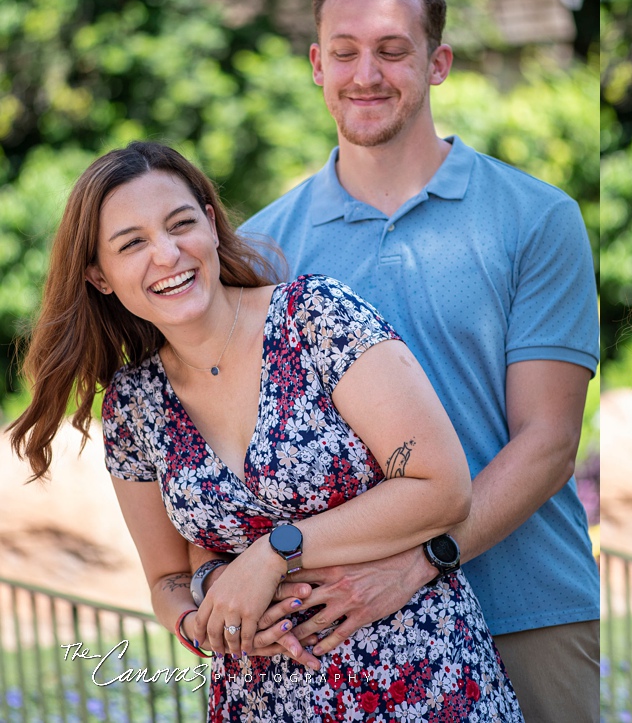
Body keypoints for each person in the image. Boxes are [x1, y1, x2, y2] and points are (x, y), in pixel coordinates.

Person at [9, 142, 524, 722]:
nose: (168, 253)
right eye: (133, 244)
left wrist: (275, 553)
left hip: (420, 680)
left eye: (181, 225)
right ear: (99, 277)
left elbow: (443, 487)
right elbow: (167, 578)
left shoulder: (316, 318)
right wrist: (201, 620)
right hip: (260, 700)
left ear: (209, 221)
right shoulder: (133, 405)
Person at [226, 0, 600, 722]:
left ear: (438, 63)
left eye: (393, 50)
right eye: (345, 51)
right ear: (315, 64)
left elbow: (549, 439)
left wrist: (419, 562)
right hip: (345, 630)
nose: (367, 73)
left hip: (527, 607)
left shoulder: (537, 218)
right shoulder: (258, 254)